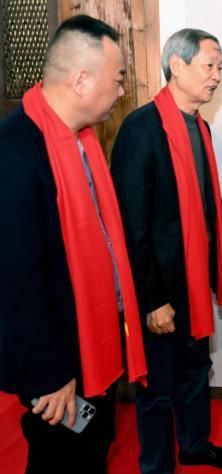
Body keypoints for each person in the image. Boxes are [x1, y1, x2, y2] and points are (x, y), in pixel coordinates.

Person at [110, 28, 222, 473]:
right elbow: (132, 225)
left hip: (193, 282)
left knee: (194, 370)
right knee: (157, 388)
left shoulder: (199, 127)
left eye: (220, 68)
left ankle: (194, 445)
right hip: (160, 289)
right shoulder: (141, 130)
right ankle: (156, 466)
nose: (217, 77)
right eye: (210, 66)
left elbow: (199, 200)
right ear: (177, 65)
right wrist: (152, 300)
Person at [0, 15, 148, 473]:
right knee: (61, 459)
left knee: (93, 447)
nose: (121, 91)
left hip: (93, 339)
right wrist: (51, 374)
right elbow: (17, 281)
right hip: (58, 359)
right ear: (81, 80)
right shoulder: (16, 149)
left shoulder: (81, 140)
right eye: (117, 78)